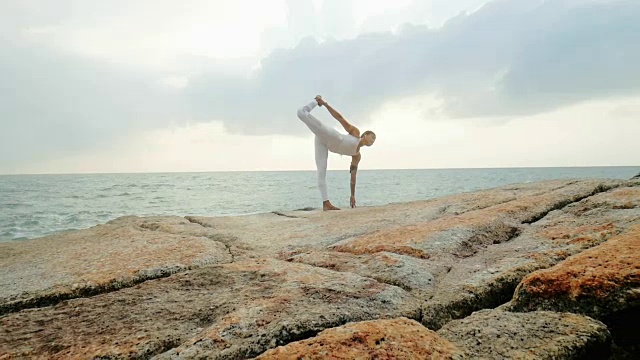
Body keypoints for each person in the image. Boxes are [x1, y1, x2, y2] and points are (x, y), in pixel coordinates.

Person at [296, 95, 376, 211]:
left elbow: (353, 177)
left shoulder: (356, 155)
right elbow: (340, 118)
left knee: (321, 171)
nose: (373, 140)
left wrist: (353, 195)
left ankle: (326, 203)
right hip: (331, 135)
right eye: (372, 137)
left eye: (374, 140)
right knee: (301, 113)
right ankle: (316, 101)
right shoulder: (356, 133)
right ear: (365, 135)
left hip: (323, 143)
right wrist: (324, 104)